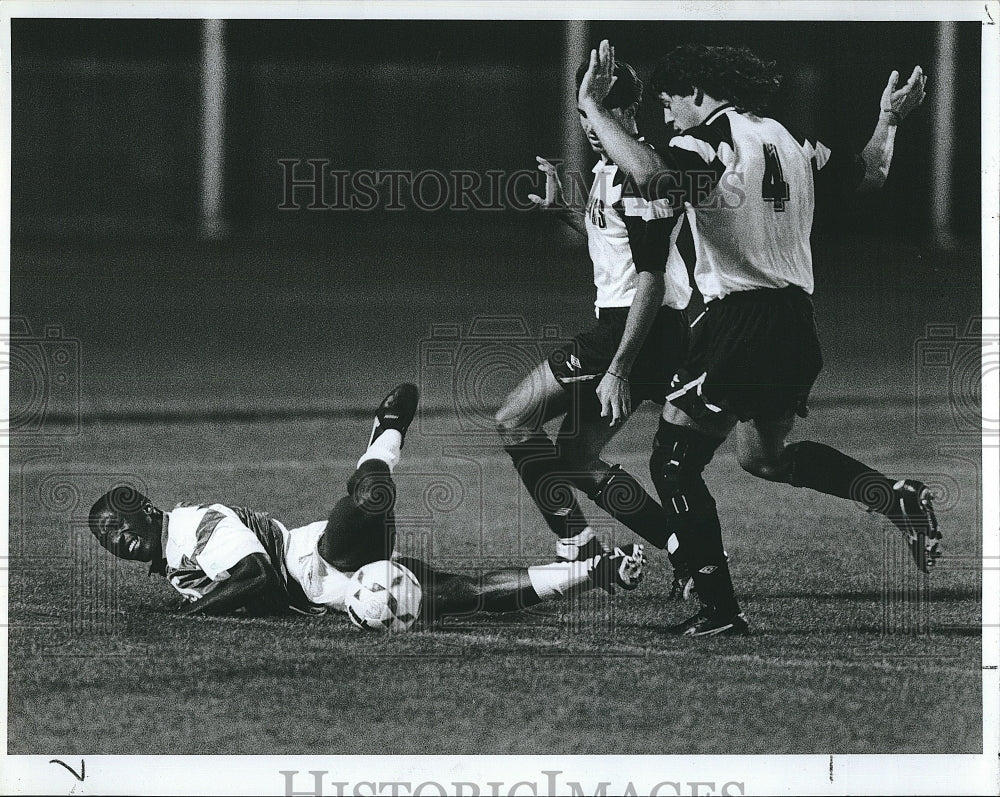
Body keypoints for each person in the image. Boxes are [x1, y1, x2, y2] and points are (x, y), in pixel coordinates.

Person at [577, 40, 938, 636]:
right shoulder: (788, 135)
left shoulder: (707, 138)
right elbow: (870, 174)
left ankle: (719, 611)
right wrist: (888, 121)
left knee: (672, 464)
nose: (667, 121)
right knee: (763, 458)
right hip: (796, 320)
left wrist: (593, 107)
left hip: (742, 323)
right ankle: (890, 496)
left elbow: (649, 173)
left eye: (670, 107)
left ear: (697, 92)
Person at [88, 384, 646, 622]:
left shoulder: (196, 528)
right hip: (335, 594)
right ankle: (594, 571)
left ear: (142, 504)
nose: (117, 540)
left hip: (313, 559)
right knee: (462, 597)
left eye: (117, 524)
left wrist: (194, 612)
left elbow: (258, 574)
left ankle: (386, 435)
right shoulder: (173, 560)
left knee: (372, 496)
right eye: (106, 540)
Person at [496, 57, 694, 596]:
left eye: (600, 112)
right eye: (584, 116)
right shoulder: (613, 170)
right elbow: (615, 244)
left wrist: (621, 367)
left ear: (630, 111)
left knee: (515, 420)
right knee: (577, 458)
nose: (589, 126)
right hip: (640, 330)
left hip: (628, 332)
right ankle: (691, 550)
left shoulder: (637, 171)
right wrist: (562, 209)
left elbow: (650, 278)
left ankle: (577, 546)